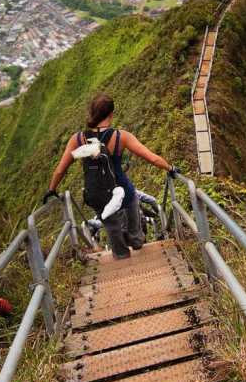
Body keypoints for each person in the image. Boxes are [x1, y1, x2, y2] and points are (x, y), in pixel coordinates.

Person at [43, 93, 176, 260]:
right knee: (134, 228)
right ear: (111, 114)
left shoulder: (78, 138)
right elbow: (152, 158)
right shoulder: (121, 136)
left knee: (113, 229)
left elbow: (60, 170)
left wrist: (51, 189)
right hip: (124, 191)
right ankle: (135, 239)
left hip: (97, 194)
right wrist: (170, 168)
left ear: (92, 113)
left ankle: (121, 257)